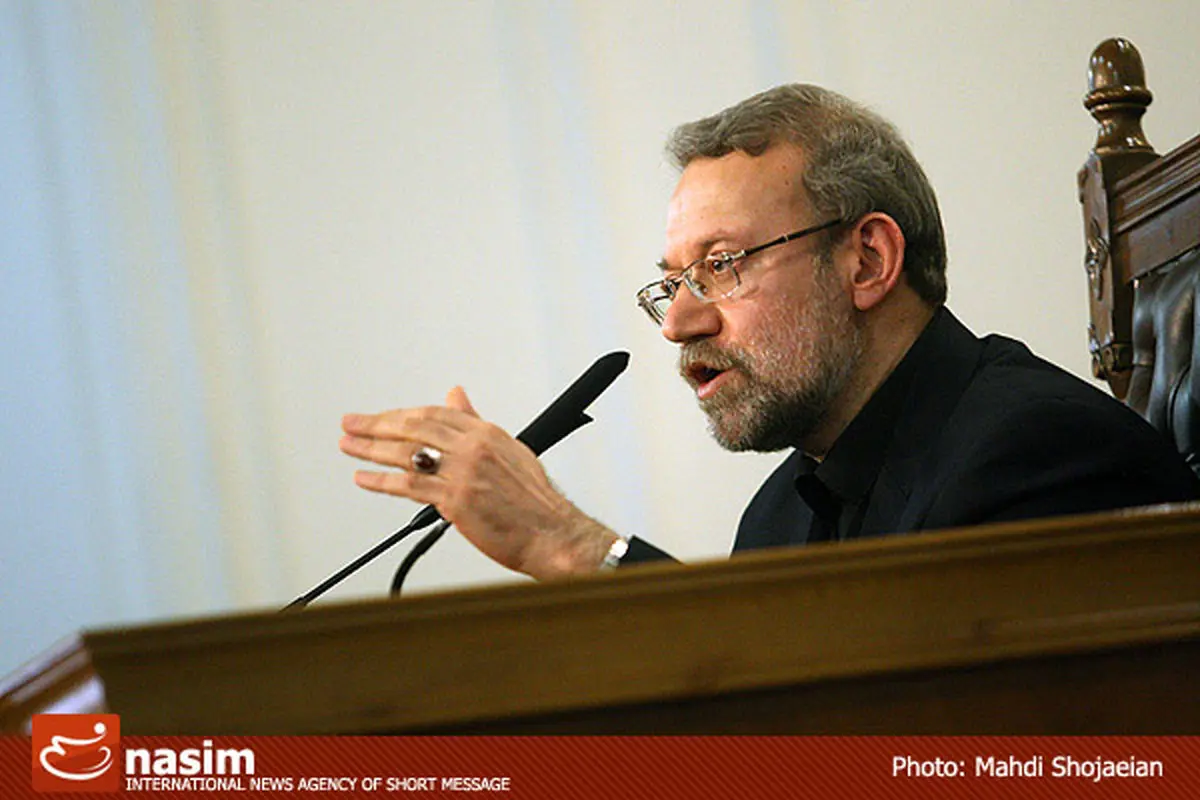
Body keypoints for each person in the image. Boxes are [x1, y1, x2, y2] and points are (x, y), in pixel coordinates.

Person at [338, 84, 1199, 579]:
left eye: (721, 264)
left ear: (867, 260)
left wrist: (572, 546)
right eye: (671, 283)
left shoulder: (1038, 456)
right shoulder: (780, 513)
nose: (679, 322)